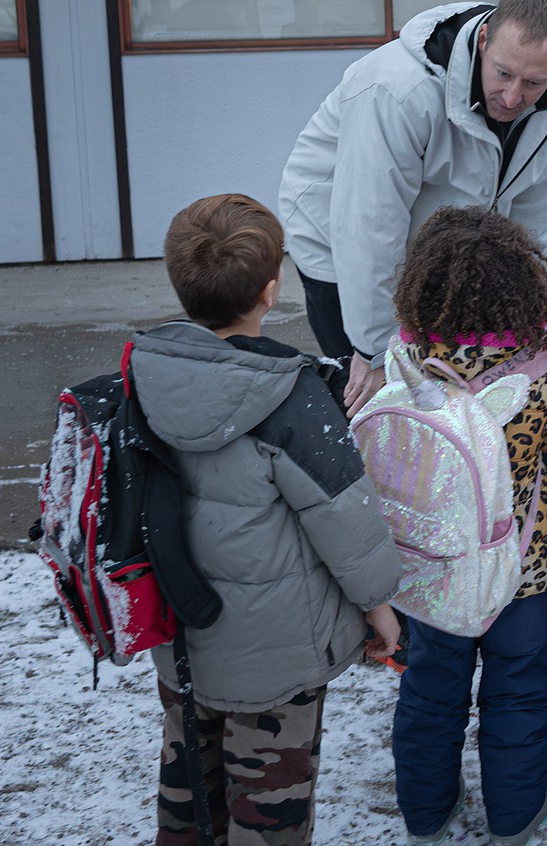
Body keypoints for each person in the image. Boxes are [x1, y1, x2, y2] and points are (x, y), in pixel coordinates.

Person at [132, 193, 403, 845]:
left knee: (189, 786)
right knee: (269, 807)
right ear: (272, 291)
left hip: (183, 642)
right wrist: (379, 607)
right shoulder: (295, 395)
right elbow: (347, 519)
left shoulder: (142, 375)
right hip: (277, 663)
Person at [279, 0, 547, 419]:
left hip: (443, 251)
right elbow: (368, 225)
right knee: (371, 400)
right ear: (483, 40)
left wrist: (524, 303)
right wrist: (375, 350)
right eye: (503, 74)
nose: (513, 97)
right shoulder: (398, 88)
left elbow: (532, 208)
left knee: (442, 400)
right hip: (337, 240)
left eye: (533, 82)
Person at [388, 206, 547, 846]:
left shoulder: (408, 357)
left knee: (430, 688)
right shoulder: (544, 366)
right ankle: (516, 813)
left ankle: (426, 812)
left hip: (437, 561)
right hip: (524, 559)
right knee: (519, 689)